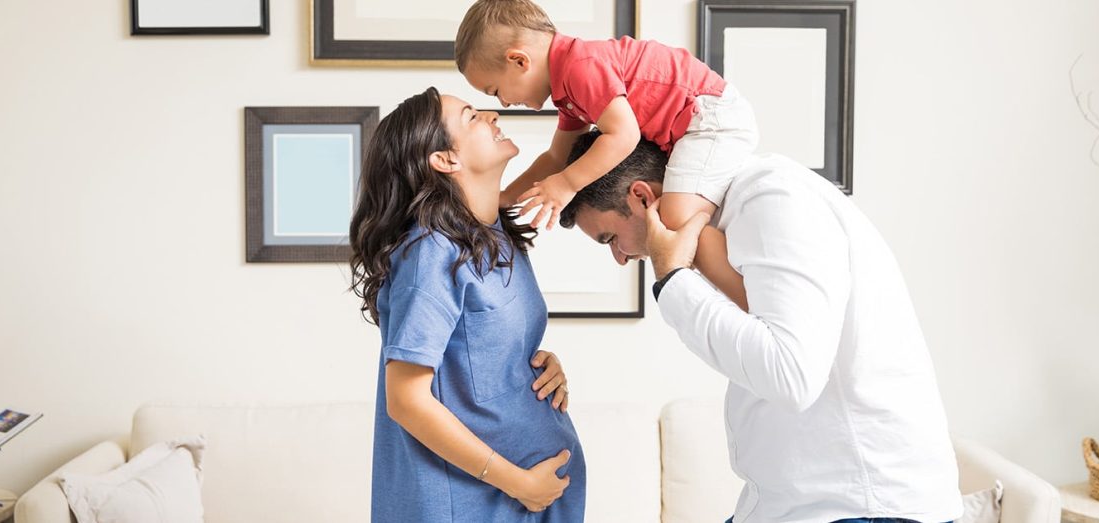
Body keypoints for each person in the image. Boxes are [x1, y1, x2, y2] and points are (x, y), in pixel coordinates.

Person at [559, 131, 963, 523]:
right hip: (795, 503)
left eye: (610, 237)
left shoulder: (773, 199)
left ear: (642, 197)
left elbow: (790, 377)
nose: (619, 257)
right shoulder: (737, 217)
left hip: (860, 504)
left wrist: (672, 279)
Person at [349, 87, 586, 522]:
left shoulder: (495, 236)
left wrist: (534, 365)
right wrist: (519, 483)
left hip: (518, 504)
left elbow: (475, 355)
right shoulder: (430, 252)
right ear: (445, 159)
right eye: (473, 116)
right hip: (466, 504)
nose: (493, 115)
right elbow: (405, 399)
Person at [454, 0, 757, 311]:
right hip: (696, 124)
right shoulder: (569, 88)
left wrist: (567, 184)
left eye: (494, 91)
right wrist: (505, 197)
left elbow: (624, 135)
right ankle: (747, 294)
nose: (502, 103)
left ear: (518, 60)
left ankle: (755, 304)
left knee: (675, 221)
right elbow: (557, 157)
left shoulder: (580, 67)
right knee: (680, 220)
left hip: (709, 117)